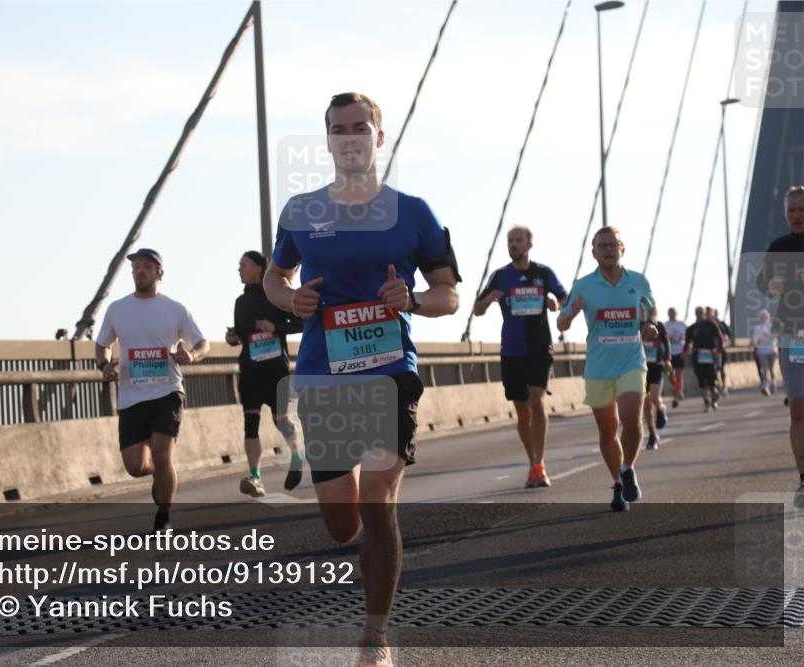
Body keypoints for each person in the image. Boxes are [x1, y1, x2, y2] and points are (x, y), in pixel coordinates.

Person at [263, 92, 461, 666]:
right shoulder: (302, 211)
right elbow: (276, 280)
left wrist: (417, 300)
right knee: (342, 524)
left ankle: (375, 637)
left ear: (379, 137)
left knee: (378, 502)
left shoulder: (416, 211)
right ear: (328, 141)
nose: (349, 137)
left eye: (360, 127)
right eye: (338, 129)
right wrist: (290, 299)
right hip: (324, 376)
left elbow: (450, 294)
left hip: (390, 372)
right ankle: (367, 555)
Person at [95, 249, 209, 533]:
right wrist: (104, 365)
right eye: (135, 267)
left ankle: (163, 515)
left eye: (146, 266)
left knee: (162, 454)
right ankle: (162, 476)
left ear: (160, 273)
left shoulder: (175, 308)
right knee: (135, 466)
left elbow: (202, 343)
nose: (139, 271)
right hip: (130, 395)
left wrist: (191, 356)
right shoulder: (117, 309)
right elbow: (102, 344)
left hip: (167, 391)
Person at [556, 226, 657, 512]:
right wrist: (571, 314)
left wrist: (650, 324)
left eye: (613, 245)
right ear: (594, 252)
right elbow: (560, 323)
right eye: (603, 245)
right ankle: (617, 482)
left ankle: (628, 468)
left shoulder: (638, 281)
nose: (609, 249)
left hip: (632, 362)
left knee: (631, 419)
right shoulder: (584, 285)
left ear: (622, 249)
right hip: (599, 367)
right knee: (607, 429)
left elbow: (651, 309)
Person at [473, 225, 567, 487]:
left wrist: (555, 304)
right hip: (512, 350)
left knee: (536, 399)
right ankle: (532, 463)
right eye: (510, 241)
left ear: (529, 245)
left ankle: (539, 464)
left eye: (518, 240)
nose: (513, 245)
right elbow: (477, 309)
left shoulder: (543, 273)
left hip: (539, 347)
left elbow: (564, 296)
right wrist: (489, 298)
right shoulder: (500, 276)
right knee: (523, 411)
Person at [226, 250, 305, 497]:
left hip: (276, 371)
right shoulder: (240, 302)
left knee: (280, 421)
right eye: (239, 265)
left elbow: (301, 323)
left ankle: (296, 457)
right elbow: (241, 335)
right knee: (250, 425)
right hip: (250, 371)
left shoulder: (276, 296)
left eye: (244, 265)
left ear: (260, 268)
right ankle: (255, 476)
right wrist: (232, 338)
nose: (239, 269)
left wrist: (276, 327)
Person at [756, 184, 804, 508]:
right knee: (798, 409)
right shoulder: (779, 246)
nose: (797, 216)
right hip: (794, 337)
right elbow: (762, 282)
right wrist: (770, 284)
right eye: (792, 211)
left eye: (802, 210)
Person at [684, 306, 724, 413]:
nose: (699, 314)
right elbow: (687, 342)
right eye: (697, 312)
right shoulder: (692, 328)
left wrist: (719, 351)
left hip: (710, 355)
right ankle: (707, 403)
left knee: (712, 380)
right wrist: (685, 352)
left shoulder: (711, 324)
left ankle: (714, 396)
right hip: (698, 356)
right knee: (701, 380)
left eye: (701, 312)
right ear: (695, 314)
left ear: (704, 313)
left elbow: (720, 338)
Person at [643, 306, 671, 450]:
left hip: (657, 365)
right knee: (645, 403)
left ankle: (661, 408)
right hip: (640, 368)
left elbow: (666, 342)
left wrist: (667, 359)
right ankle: (652, 434)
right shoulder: (635, 325)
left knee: (654, 397)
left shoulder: (659, 325)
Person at [664, 308, 687, 407]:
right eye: (670, 313)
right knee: (670, 375)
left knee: (678, 374)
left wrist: (686, 351)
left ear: (676, 313)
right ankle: (678, 389)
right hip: (669, 353)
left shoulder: (682, 325)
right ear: (668, 314)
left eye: (673, 312)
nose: (672, 314)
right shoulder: (665, 325)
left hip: (680, 352)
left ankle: (676, 396)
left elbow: (688, 339)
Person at [706, 307, 733, 396]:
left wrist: (724, 343)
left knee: (721, 368)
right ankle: (717, 386)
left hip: (720, 350)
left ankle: (724, 386)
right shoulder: (705, 325)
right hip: (709, 351)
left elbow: (728, 335)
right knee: (713, 370)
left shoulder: (721, 324)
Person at [751, 309, 778, 396]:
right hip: (762, 351)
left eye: (765, 316)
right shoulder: (757, 328)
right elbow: (754, 339)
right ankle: (765, 386)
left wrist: (769, 335)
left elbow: (775, 336)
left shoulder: (772, 326)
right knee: (764, 369)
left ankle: (773, 382)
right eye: (761, 316)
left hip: (772, 350)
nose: (763, 318)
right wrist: (754, 343)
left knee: (771, 369)